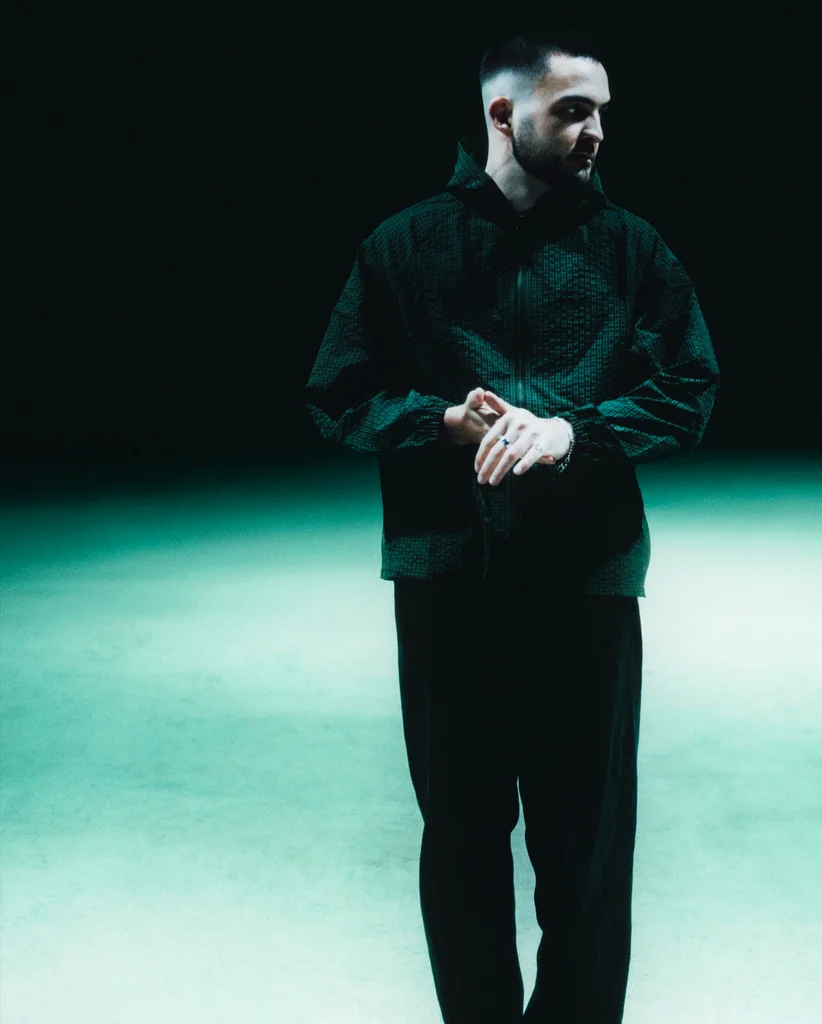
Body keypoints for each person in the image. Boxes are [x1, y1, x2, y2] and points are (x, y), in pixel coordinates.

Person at [304, 30, 720, 1023]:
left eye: (603, 110)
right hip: (449, 582)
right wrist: (441, 421)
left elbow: (691, 388)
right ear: (502, 114)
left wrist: (573, 432)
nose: (597, 130)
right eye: (573, 110)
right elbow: (337, 393)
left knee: (588, 856)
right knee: (460, 843)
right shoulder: (404, 245)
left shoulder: (632, 248)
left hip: (586, 584)